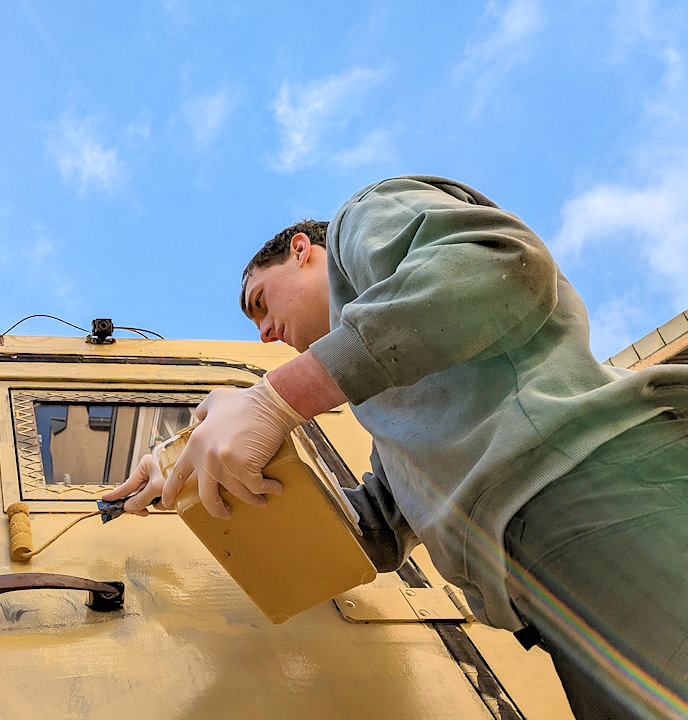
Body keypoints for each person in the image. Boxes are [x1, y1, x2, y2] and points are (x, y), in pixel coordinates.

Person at [102, 176, 688, 719]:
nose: (262, 332)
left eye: (259, 301)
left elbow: (501, 267)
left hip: (592, 495)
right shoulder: (386, 405)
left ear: (302, 250)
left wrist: (275, 400)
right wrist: (189, 477)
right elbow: (377, 533)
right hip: (543, 577)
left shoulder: (363, 219)